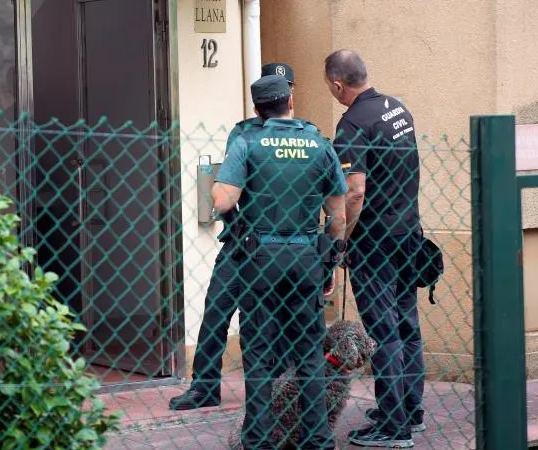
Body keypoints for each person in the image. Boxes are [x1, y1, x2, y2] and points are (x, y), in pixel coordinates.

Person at [168, 62, 324, 411]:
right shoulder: (244, 133)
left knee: (285, 318)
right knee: (217, 310)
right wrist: (237, 227)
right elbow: (227, 186)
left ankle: (283, 388)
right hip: (245, 241)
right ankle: (205, 386)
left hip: (290, 244)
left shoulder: (308, 136)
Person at [212, 74, 348, 449]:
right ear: (290, 100)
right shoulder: (318, 143)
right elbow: (338, 214)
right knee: (308, 351)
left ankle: (258, 440)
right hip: (306, 256)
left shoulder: (247, 141)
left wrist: (219, 182)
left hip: (261, 259)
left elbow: (223, 201)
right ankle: (317, 439)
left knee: (258, 352)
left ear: (257, 108)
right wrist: (331, 256)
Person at [323, 49, 425, 448]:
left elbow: (355, 191)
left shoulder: (352, 125)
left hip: (376, 243)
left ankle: (393, 427)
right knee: (406, 325)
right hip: (408, 235)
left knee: (384, 332)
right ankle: (409, 410)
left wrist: (342, 239)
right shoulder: (397, 109)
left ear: (337, 84)